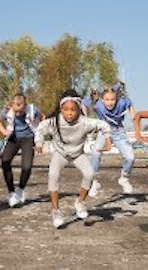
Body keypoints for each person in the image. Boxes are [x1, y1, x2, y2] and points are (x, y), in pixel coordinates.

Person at [34, 89, 112, 228]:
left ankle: (80, 202)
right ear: (60, 109)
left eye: (73, 110)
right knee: (53, 174)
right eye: (66, 110)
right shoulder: (54, 122)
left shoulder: (84, 122)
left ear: (79, 110)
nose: (69, 113)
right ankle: (56, 211)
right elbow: (40, 128)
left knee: (90, 173)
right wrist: (39, 143)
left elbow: (104, 125)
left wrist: (108, 141)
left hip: (77, 154)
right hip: (61, 154)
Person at [82, 81, 136, 197]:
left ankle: (124, 178)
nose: (110, 103)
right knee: (95, 153)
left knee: (130, 157)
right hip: (104, 132)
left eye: (112, 100)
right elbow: (84, 103)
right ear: (102, 99)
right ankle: (94, 181)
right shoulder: (98, 104)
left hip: (119, 132)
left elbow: (129, 103)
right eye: (107, 100)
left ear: (116, 99)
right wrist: (85, 116)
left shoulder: (121, 103)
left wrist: (133, 115)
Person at [0, 93, 44, 207]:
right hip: (13, 138)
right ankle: (11, 193)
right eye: (16, 111)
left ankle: (20, 189)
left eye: (21, 111)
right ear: (12, 106)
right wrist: (4, 132)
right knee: (5, 161)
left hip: (28, 138)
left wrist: (39, 139)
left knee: (27, 166)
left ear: (25, 105)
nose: (18, 113)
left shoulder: (32, 109)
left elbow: (43, 119)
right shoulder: (7, 111)